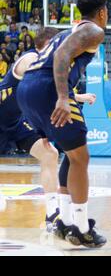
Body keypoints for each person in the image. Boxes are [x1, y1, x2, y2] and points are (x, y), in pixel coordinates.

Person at [17, 0, 108, 248]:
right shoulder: (94, 31)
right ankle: (81, 229)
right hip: (47, 89)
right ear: (102, 12)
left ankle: (64, 222)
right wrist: (62, 97)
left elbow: (45, 58)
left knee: (71, 155)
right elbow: (61, 58)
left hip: (28, 89)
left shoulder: (64, 31)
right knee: (81, 158)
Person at [0, 27, 60, 229]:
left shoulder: (47, 67)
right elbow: (39, 88)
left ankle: (53, 214)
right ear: (50, 44)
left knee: (50, 154)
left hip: (15, 122)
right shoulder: (29, 58)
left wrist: (75, 97)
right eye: (58, 43)